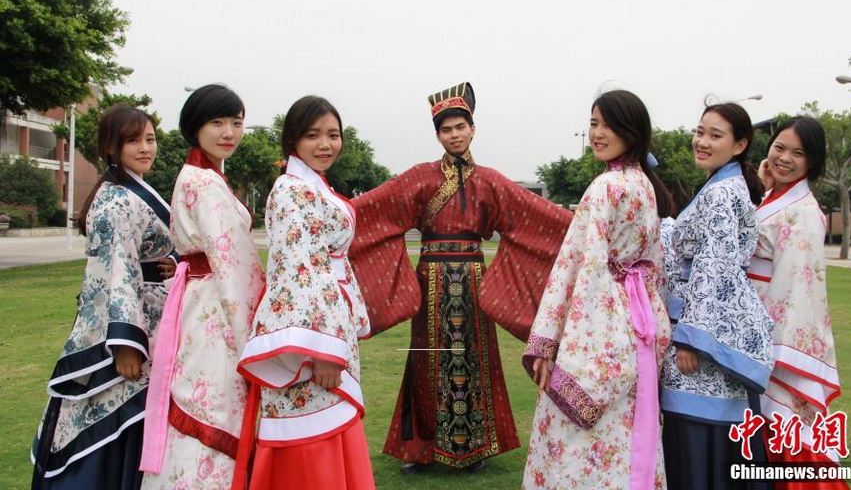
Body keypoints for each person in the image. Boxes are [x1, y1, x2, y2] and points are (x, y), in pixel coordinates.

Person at [348, 82, 573, 472]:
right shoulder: (418, 178)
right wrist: (326, 217)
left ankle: (474, 449)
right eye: (446, 129)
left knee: (475, 362)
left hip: (472, 282)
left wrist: (585, 226)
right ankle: (419, 450)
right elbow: (373, 208)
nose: (454, 134)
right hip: (430, 281)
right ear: (438, 135)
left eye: (460, 127)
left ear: (472, 129)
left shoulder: (490, 180)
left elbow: (535, 214)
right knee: (425, 364)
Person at [521, 89, 674, 490]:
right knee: (628, 430)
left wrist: (549, 342)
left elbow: (579, 266)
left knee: (575, 443)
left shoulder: (606, 187)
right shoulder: (645, 185)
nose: (598, 133)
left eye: (608, 124)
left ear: (632, 131)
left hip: (603, 323)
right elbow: (654, 266)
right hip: (637, 324)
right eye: (593, 123)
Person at [31, 105, 176, 490]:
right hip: (130, 334)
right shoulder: (116, 201)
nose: (146, 148)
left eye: (150, 139)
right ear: (111, 147)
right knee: (114, 422)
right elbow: (116, 272)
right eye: (133, 140)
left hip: (155, 321)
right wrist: (127, 342)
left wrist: (174, 263)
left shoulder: (134, 191)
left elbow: (150, 252)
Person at [236, 96, 375, 489]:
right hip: (313, 341)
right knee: (312, 439)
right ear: (293, 140)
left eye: (333, 135)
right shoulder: (291, 190)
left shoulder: (312, 186)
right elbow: (297, 272)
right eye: (313, 135)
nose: (325, 144)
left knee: (329, 425)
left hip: (329, 325)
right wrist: (321, 352)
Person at [139, 84, 264, 490]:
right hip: (217, 308)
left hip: (200, 302)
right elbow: (233, 264)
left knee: (201, 399)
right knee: (214, 404)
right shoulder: (205, 183)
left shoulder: (201, 175)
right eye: (217, 122)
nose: (229, 132)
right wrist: (253, 336)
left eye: (236, 122)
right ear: (195, 128)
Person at [660, 102, 774, 489]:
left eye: (715, 135)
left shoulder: (723, 194)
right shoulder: (720, 187)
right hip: (697, 327)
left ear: (740, 144)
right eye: (700, 131)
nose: (702, 142)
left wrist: (693, 340)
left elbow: (715, 268)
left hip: (698, 341)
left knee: (699, 437)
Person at [750, 117, 849, 489]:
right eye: (779, 147)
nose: (784, 158)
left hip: (777, 344)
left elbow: (796, 290)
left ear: (813, 162)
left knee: (790, 444)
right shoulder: (776, 199)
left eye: (798, 153)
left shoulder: (802, 212)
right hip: (759, 327)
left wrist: (770, 352)